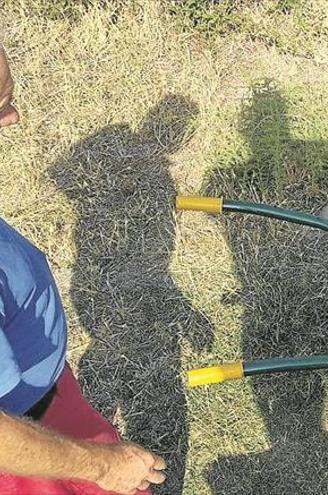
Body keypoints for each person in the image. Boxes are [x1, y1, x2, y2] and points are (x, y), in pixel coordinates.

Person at [0, 45, 167, 494]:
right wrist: (102, 467)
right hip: (21, 454)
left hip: (44, 398)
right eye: (0, 105)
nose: (13, 116)